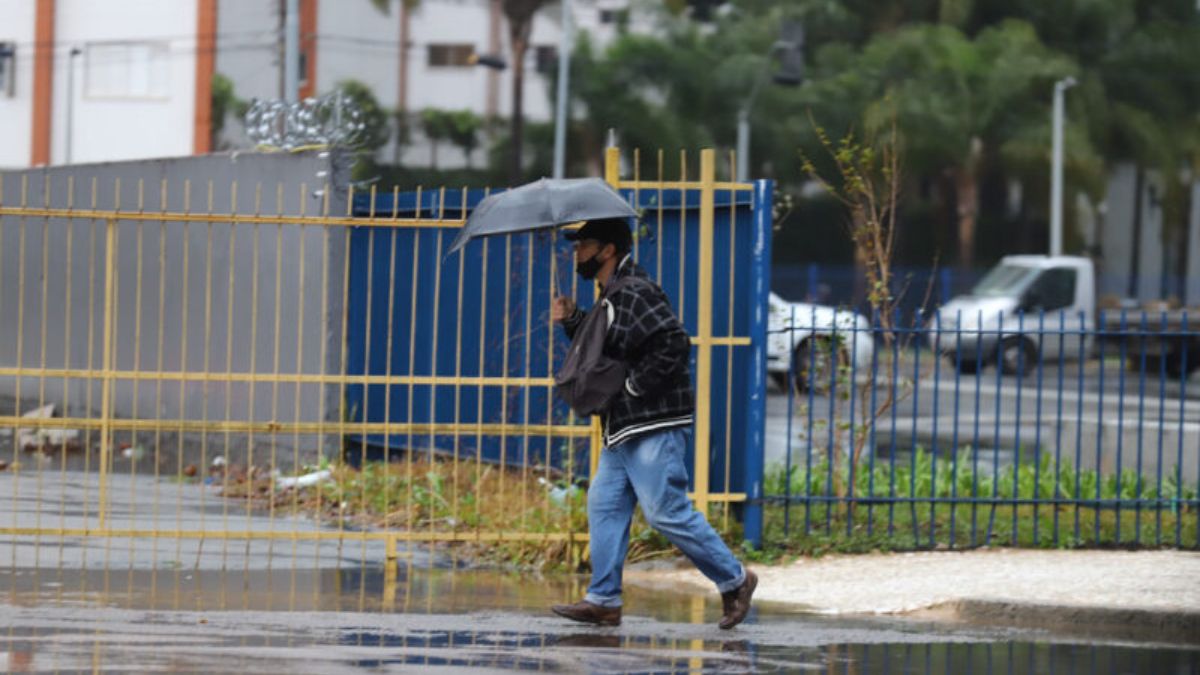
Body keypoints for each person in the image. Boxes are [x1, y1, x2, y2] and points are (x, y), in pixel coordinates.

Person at [549, 217, 757, 629]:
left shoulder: (636, 291)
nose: (577, 252)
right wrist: (573, 320)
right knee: (604, 505)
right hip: (623, 428)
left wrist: (633, 388)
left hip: (651, 423)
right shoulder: (612, 294)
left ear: (608, 250)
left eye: (584, 244)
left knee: (665, 511)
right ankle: (604, 600)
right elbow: (605, 351)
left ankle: (735, 579)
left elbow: (674, 344)